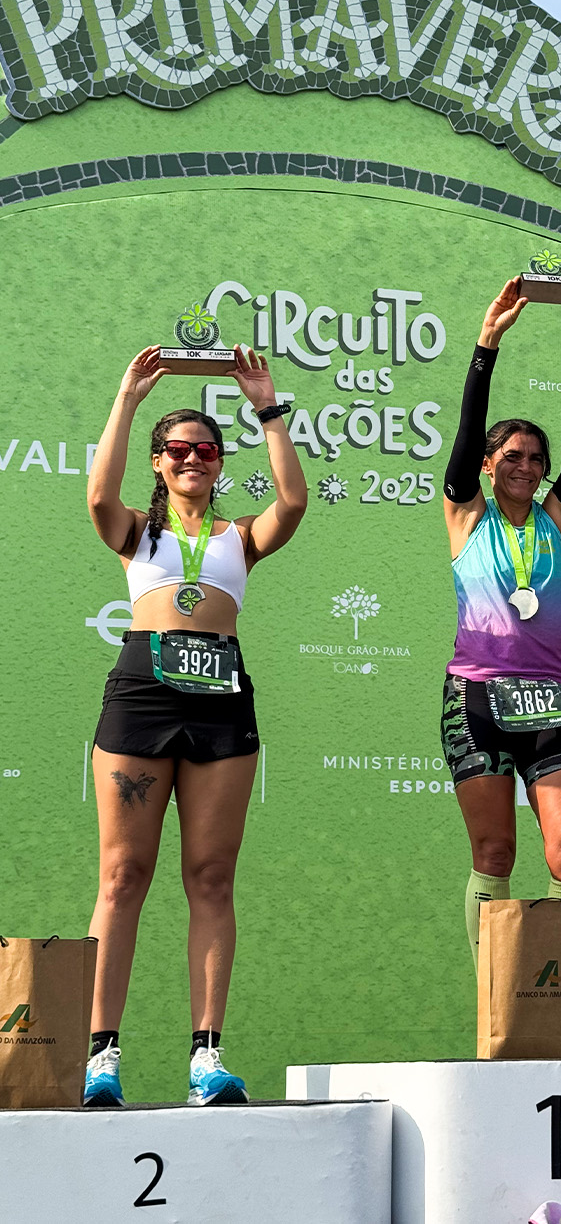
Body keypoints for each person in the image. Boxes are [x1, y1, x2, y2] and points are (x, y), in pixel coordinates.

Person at [83, 344, 307, 1107]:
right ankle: (101, 1056)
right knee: (123, 874)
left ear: (218, 464)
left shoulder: (237, 536)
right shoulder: (136, 533)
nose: (191, 459)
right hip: (142, 695)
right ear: (159, 461)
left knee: (211, 876)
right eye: (177, 449)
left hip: (220, 699)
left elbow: (293, 503)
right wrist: (128, 397)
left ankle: (207, 1056)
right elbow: (97, 495)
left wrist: (267, 406)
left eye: (205, 450)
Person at [441, 277, 561, 973]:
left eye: (535, 458)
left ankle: (560, 1000)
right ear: (487, 466)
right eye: (510, 456)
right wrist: (487, 343)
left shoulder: (559, 519)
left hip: (552, 699)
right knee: (495, 852)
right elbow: (466, 427)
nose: (525, 466)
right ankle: (496, 997)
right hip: (477, 696)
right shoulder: (465, 514)